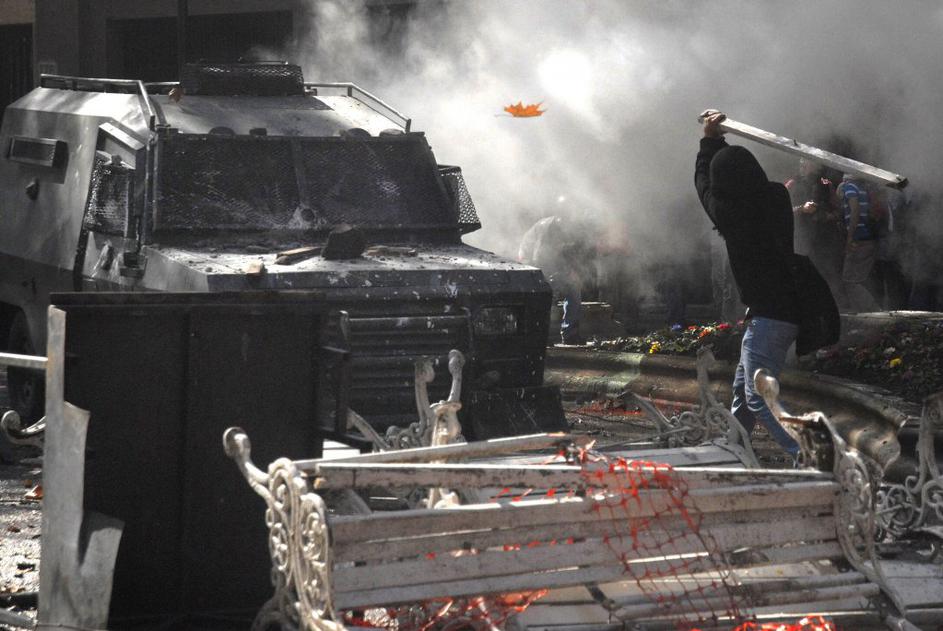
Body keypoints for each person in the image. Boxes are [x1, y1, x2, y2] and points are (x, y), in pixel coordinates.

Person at [694, 110, 800, 461]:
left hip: (770, 315)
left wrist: (708, 142)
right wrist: (719, 142)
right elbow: (732, 177)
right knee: (743, 388)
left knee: (758, 396)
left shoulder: (732, 215)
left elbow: (704, 186)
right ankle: (733, 445)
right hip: (779, 310)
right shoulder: (777, 197)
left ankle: (806, 451)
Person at [785, 158, 845, 309]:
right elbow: (781, 210)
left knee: (829, 274)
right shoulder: (792, 184)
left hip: (825, 239)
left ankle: (834, 307)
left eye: (807, 162)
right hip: (801, 240)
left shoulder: (826, 184)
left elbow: (839, 211)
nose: (803, 166)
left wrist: (827, 216)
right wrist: (801, 209)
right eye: (802, 163)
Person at [518, 215, 584, 344]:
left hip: (548, 264)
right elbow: (540, 257)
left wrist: (573, 271)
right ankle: (540, 334)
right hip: (532, 264)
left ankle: (570, 334)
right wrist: (562, 273)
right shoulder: (546, 229)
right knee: (547, 295)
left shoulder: (565, 229)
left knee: (573, 289)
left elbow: (568, 253)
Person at [836, 173, 879, 312]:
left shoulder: (850, 187)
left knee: (849, 280)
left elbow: (855, 211)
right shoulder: (861, 187)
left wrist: (850, 237)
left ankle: (873, 309)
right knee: (858, 279)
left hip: (859, 238)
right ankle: (861, 311)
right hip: (867, 237)